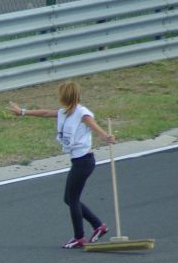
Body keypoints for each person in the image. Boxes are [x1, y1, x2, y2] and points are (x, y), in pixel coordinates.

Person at [9, 81, 115, 249]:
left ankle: (80, 237)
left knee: (71, 199)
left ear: (64, 97)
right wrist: (22, 112)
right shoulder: (65, 112)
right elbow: (45, 113)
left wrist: (105, 136)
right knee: (70, 198)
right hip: (79, 161)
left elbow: (94, 127)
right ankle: (98, 226)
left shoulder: (82, 113)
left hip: (84, 162)